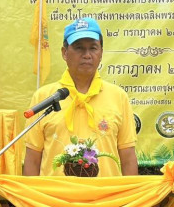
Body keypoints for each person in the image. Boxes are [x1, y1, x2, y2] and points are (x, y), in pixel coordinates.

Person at [23, 17, 138, 177]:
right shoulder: (44, 97)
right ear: (64, 53)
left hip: (106, 193)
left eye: (93, 48)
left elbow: (128, 158)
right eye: (79, 48)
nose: (87, 55)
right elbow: (32, 159)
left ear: (101, 53)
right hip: (55, 193)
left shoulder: (118, 96)